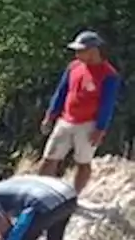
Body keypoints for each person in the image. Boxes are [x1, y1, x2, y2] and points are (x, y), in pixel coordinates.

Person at [39, 30, 120, 194]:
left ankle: (73, 196)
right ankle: (42, 193)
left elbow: (107, 104)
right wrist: (50, 115)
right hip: (65, 120)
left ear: (93, 51)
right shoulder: (74, 67)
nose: (77, 53)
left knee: (83, 162)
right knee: (49, 158)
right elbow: (61, 92)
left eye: (81, 50)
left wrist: (100, 129)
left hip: (88, 124)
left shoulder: (109, 75)